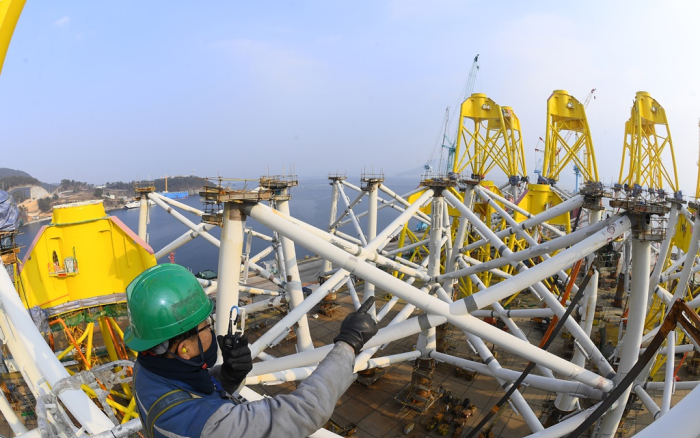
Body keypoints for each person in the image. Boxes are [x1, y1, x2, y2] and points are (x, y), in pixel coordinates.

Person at [123, 264, 378, 438]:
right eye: (206, 325)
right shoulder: (207, 426)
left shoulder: (147, 369)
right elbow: (304, 412)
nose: (211, 330)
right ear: (186, 349)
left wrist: (229, 376)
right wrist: (349, 344)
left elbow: (186, 393)